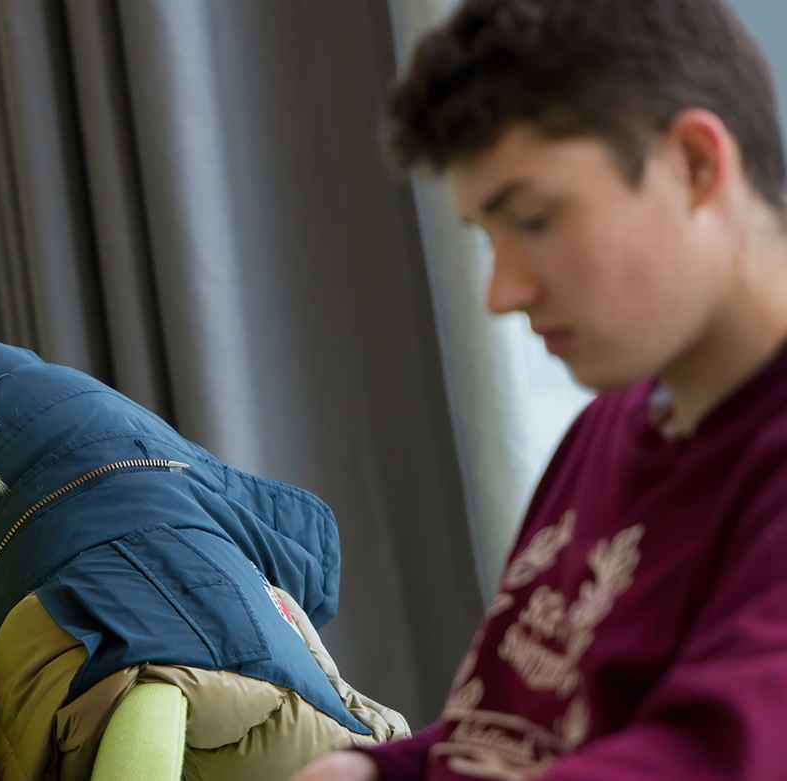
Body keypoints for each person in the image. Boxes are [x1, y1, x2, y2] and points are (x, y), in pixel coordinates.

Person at [295, 0, 787, 779]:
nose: (501, 291)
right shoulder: (605, 431)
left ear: (696, 164)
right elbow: (513, 737)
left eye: (533, 218)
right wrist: (378, 771)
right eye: (487, 238)